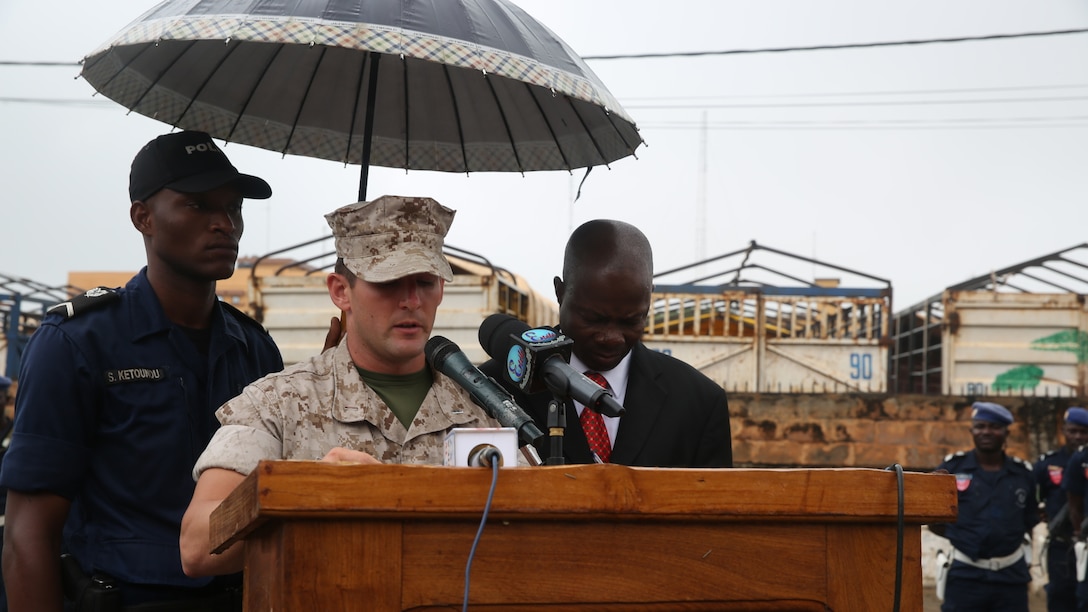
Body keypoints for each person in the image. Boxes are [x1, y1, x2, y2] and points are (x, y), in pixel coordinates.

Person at [0, 130, 285, 612]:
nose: (224, 224)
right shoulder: (76, 343)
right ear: (143, 217)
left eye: (232, 207)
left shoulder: (254, 350)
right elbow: (28, 533)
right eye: (197, 206)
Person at [179, 195, 528, 578]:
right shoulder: (278, 403)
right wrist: (312, 494)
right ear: (341, 291)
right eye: (389, 282)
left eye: (425, 282)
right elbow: (197, 546)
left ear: (441, 289)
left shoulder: (485, 411)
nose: (411, 300)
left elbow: (540, 531)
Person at [480, 219, 732, 467]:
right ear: (560, 292)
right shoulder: (489, 387)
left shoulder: (699, 403)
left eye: (631, 321)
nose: (611, 338)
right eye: (593, 319)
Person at [931, 401, 1038, 612]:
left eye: (994, 427)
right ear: (972, 431)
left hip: (1011, 577)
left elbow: (1029, 520)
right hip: (965, 575)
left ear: (1006, 432)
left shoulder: (1023, 473)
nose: (986, 432)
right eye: (980, 426)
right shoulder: (952, 468)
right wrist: (962, 536)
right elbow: (933, 517)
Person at [1036, 407, 1088, 612]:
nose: (1078, 436)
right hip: (1061, 545)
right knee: (1060, 598)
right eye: (1073, 431)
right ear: (1064, 430)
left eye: (1083, 432)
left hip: (1084, 542)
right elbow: (1034, 495)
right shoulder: (1047, 463)